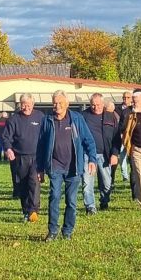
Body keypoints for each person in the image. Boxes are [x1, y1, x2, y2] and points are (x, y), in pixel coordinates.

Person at [37, 91, 98, 241]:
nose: (57, 106)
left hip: (73, 168)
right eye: (54, 103)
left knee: (71, 201)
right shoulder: (47, 120)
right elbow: (40, 146)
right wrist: (39, 168)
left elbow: (88, 140)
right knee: (54, 197)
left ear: (67, 104)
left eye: (60, 103)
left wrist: (92, 159)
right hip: (55, 166)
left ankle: (67, 231)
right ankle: (52, 230)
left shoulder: (76, 119)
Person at [1, 93, 45, 223]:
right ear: (20, 105)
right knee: (22, 185)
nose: (26, 107)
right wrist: (8, 149)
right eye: (24, 104)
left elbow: (46, 134)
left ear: (33, 104)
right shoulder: (14, 119)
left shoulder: (40, 116)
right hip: (19, 157)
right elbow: (6, 137)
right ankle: (26, 211)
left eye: (29, 105)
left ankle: (33, 210)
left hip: (36, 156)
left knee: (34, 182)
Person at [80, 93, 119, 213]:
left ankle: (104, 201)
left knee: (107, 184)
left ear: (103, 104)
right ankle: (90, 206)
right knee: (87, 183)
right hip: (87, 155)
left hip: (105, 155)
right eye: (93, 104)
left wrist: (115, 153)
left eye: (98, 105)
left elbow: (116, 137)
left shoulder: (110, 116)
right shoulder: (83, 116)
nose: (95, 107)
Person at [116, 91, 134, 182]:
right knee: (122, 156)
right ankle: (125, 175)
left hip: (132, 136)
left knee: (132, 155)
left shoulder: (134, 109)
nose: (125, 99)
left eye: (128, 97)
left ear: (131, 98)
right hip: (122, 135)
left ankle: (133, 173)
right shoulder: (117, 109)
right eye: (124, 97)